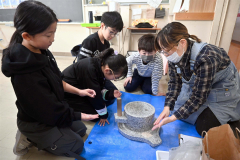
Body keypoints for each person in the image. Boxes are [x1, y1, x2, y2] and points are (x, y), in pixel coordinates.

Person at [1, 1, 98, 159]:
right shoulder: (25, 75)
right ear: (26, 36)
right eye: (48, 35)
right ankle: (28, 135)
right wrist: (79, 114)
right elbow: (48, 109)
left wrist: (79, 91)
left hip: (50, 110)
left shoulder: (42, 51)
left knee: (80, 130)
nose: (52, 39)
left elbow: (57, 80)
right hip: (37, 121)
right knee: (77, 144)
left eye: (54, 32)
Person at [152, 22, 240, 135]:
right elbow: (174, 83)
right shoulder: (174, 55)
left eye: (166, 50)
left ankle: (233, 120)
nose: (165, 54)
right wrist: (167, 106)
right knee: (175, 109)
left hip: (221, 92)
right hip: (201, 87)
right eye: (162, 51)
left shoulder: (207, 57)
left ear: (182, 43)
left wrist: (173, 118)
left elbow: (198, 97)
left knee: (204, 127)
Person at [62, 48, 128, 126]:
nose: (115, 80)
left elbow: (98, 87)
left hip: (84, 87)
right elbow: (95, 96)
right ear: (107, 70)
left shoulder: (100, 65)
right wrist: (104, 116)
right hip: (69, 93)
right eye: (116, 77)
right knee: (96, 116)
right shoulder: (89, 70)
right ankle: (67, 106)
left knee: (110, 97)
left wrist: (109, 93)